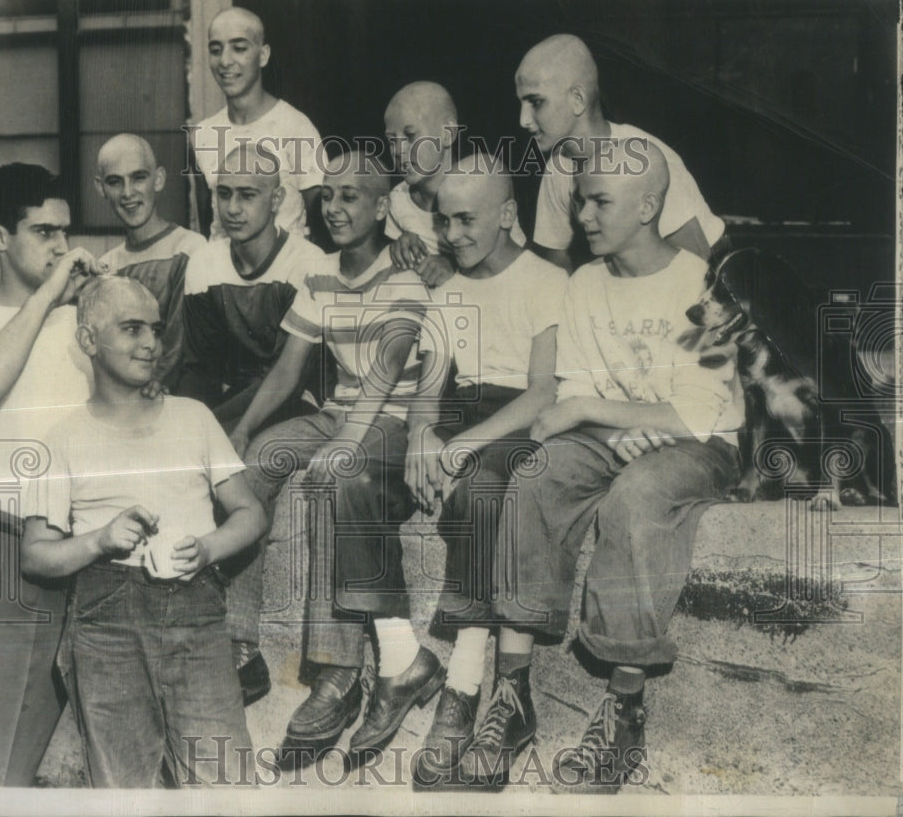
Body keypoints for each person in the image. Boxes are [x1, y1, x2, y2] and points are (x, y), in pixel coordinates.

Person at [475, 139, 742, 792]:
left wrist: (623, 418)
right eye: (579, 201)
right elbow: (568, 402)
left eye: (600, 202)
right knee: (537, 475)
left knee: (636, 496)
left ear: (649, 205)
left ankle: (625, 709)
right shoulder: (584, 284)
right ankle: (511, 697)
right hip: (612, 433)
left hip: (702, 444)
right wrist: (614, 419)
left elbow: (701, 414)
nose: (583, 216)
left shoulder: (702, 283)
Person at [230, 150, 440, 765]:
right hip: (337, 413)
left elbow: (388, 368)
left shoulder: (403, 279)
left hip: (395, 420)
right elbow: (288, 368)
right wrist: (242, 431)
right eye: (330, 196)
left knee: (333, 474)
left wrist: (348, 441)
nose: (338, 207)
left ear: (382, 208)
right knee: (253, 465)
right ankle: (239, 644)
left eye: (354, 196)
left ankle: (337, 671)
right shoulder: (319, 275)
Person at [21, 276, 265, 788]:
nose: (151, 343)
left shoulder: (193, 418)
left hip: (196, 617)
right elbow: (36, 556)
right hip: (106, 624)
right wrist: (100, 540)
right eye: (131, 329)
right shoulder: (61, 439)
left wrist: (206, 549)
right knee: (124, 791)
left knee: (228, 786)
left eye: (155, 329)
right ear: (89, 341)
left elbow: (249, 513)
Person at [0, 163, 107, 786]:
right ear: (1, 237)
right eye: (42, 232)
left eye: (65, 231)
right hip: (6, 557)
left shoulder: (86, 321)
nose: (61, 246)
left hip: (94, 557)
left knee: (71, 776)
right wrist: (49, 296)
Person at [403, 157, 565, 785]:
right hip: (460, 417)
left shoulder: (546, 281)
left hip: (515, 420)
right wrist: (421, 436)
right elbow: (429, 388)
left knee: (481, 490)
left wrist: (460, 445)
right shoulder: (446, 293)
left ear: (507, 215)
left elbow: (543, 393)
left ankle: (465, 686)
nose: (454, 234)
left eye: (467, 219)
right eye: (443, 221)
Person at [179, 145, 327, 703]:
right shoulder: (206, 263)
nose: (234, 207)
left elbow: (296, 371)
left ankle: (242, 648)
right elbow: (196, 369)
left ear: (278, 198)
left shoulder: (310, 262)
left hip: (299, 401)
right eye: (224, 194)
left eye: (248, 194)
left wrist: (231, 433)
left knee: (245, 471)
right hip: (233, 402)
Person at [516, 34, 727, 271]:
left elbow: (695, 273)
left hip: (714, 276)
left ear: (577, 99)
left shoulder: (645, 159)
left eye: (536, 102)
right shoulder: (558, 168)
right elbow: (555, 273)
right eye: (521, 103)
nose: (523, 120)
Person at [189, 6, 325, 241]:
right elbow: (209, 226)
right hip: (223, 273)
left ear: (263, 55)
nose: (225, 61)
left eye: (239, 48)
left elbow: (324, 225)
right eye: (215, 50)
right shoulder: (203, 134)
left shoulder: (296, 127)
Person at [383, 81, 527, 288]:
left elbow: (514, 261)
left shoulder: (481, 188)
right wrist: (398, 248)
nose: (398, 150)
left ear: (447, 134)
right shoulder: (397, 200)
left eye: (410, 135)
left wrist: (455, 266)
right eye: (391, 140)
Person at [94, 133, 206, 388]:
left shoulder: (190, 249)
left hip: (176, 396)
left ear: (158, 179)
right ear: (101, 188)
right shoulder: (106, 267)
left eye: (138, 178)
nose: (128, 193)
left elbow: (182, 346)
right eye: (115, 182)